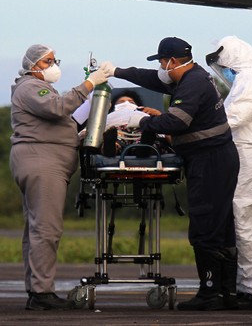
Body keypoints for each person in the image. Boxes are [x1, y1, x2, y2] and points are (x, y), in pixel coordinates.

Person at [100, 36, 240, 311]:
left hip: (210, 159)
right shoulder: (192, 76)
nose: (161, 67)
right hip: (217, 158)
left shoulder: (192, 84)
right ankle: (227, 294)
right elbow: (151, 78)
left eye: (163, 62)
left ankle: (210, 293)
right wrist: (116, 71)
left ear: (173, 61)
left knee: (205, 227)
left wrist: (144, 120)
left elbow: (178, 121)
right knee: (221, 227)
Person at [9, 44, 109, 310]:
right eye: (47, 62)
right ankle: (42, 293)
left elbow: (54, 121)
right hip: (42, 162)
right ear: (32, 66)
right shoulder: (31, 87)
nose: (53, 66)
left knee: (36, 229)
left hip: (44, 159)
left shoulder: (37, 89)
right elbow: (58, 107)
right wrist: (90, 83)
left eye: (54, 60)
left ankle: (36, 289)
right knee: (46, 229)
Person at [205, 36, 252, 310]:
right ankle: (249, 287)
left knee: (244, 222)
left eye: (224, 67)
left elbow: (234, 117)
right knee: (240, 221)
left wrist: (202, 131)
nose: (225, 73)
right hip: (248, 149)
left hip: (250, 151)